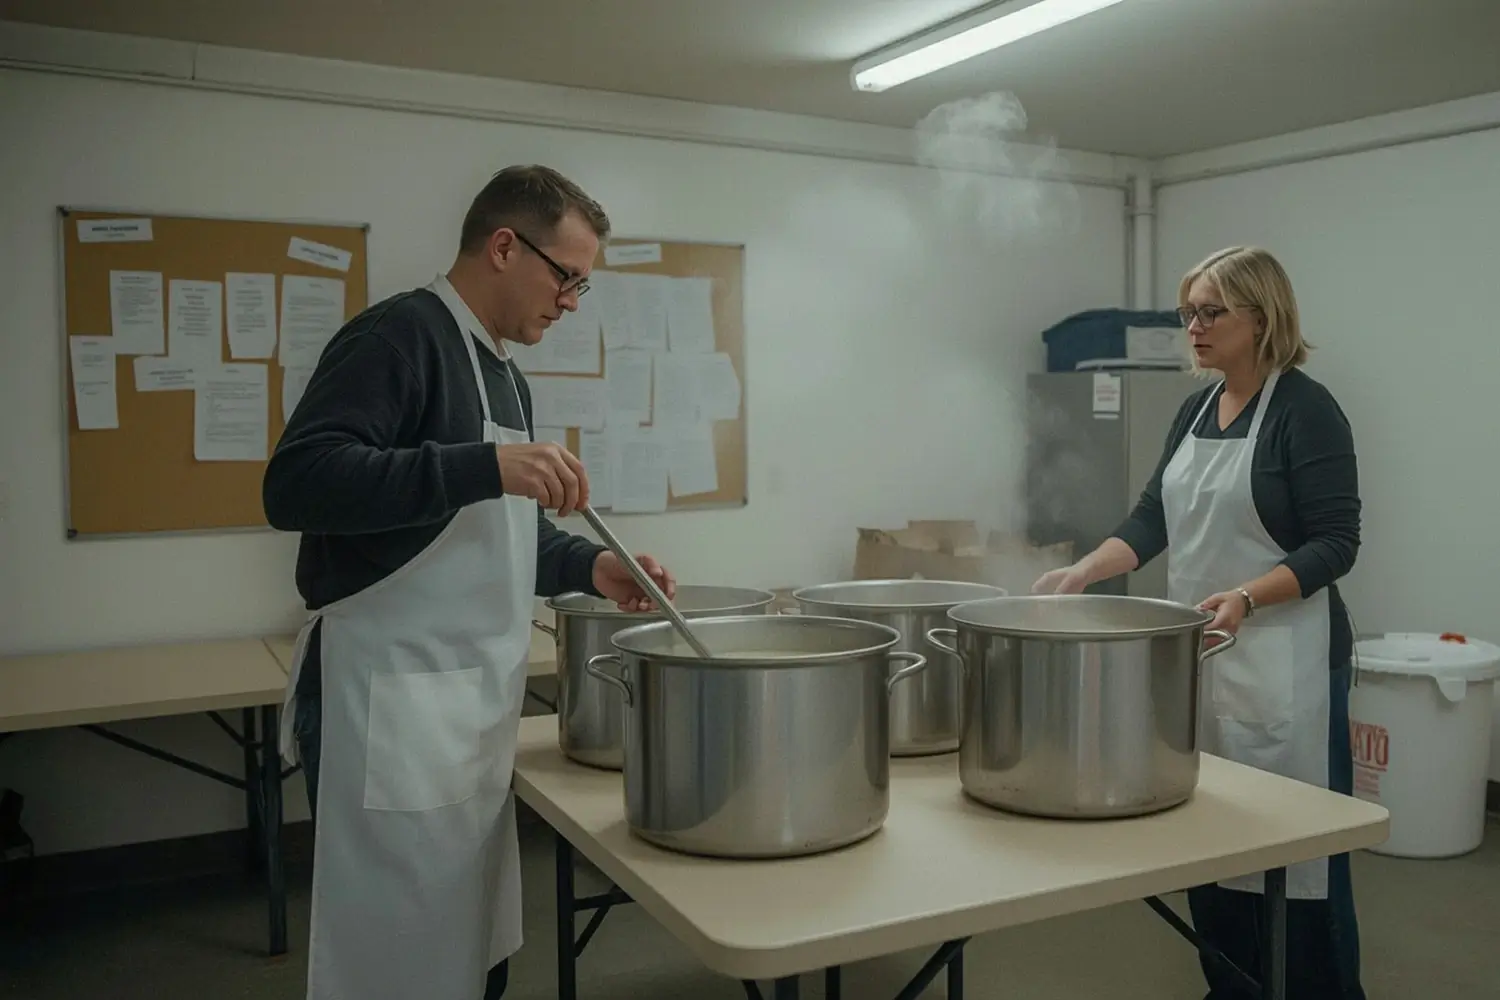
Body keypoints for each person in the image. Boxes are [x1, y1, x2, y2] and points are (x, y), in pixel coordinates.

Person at [262, 164, 676, 1000]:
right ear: (502, 246)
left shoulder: (504, 373)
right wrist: (482, 462)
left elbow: (495, 530)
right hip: (391, 704)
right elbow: (299, 482)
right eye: (567, 278)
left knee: (467, 941)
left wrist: (586, 566)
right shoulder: (398, 337)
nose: (569, 302)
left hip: (464, 711)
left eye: (581, 288)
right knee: (395, 953)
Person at [1033, 246, 1364, 999]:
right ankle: (1233, 987)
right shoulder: (1195, 408)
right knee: (1209, 849)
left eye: (1210, 311)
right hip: (1201, 656)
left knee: (1295, 861)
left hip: (1288, 664)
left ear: (1261, 314)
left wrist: (1247, 596)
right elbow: (1155, 517)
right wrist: (1089, 569)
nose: (1193, 326)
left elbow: (1336, 543)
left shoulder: (1305, 410)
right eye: (1189, 311)